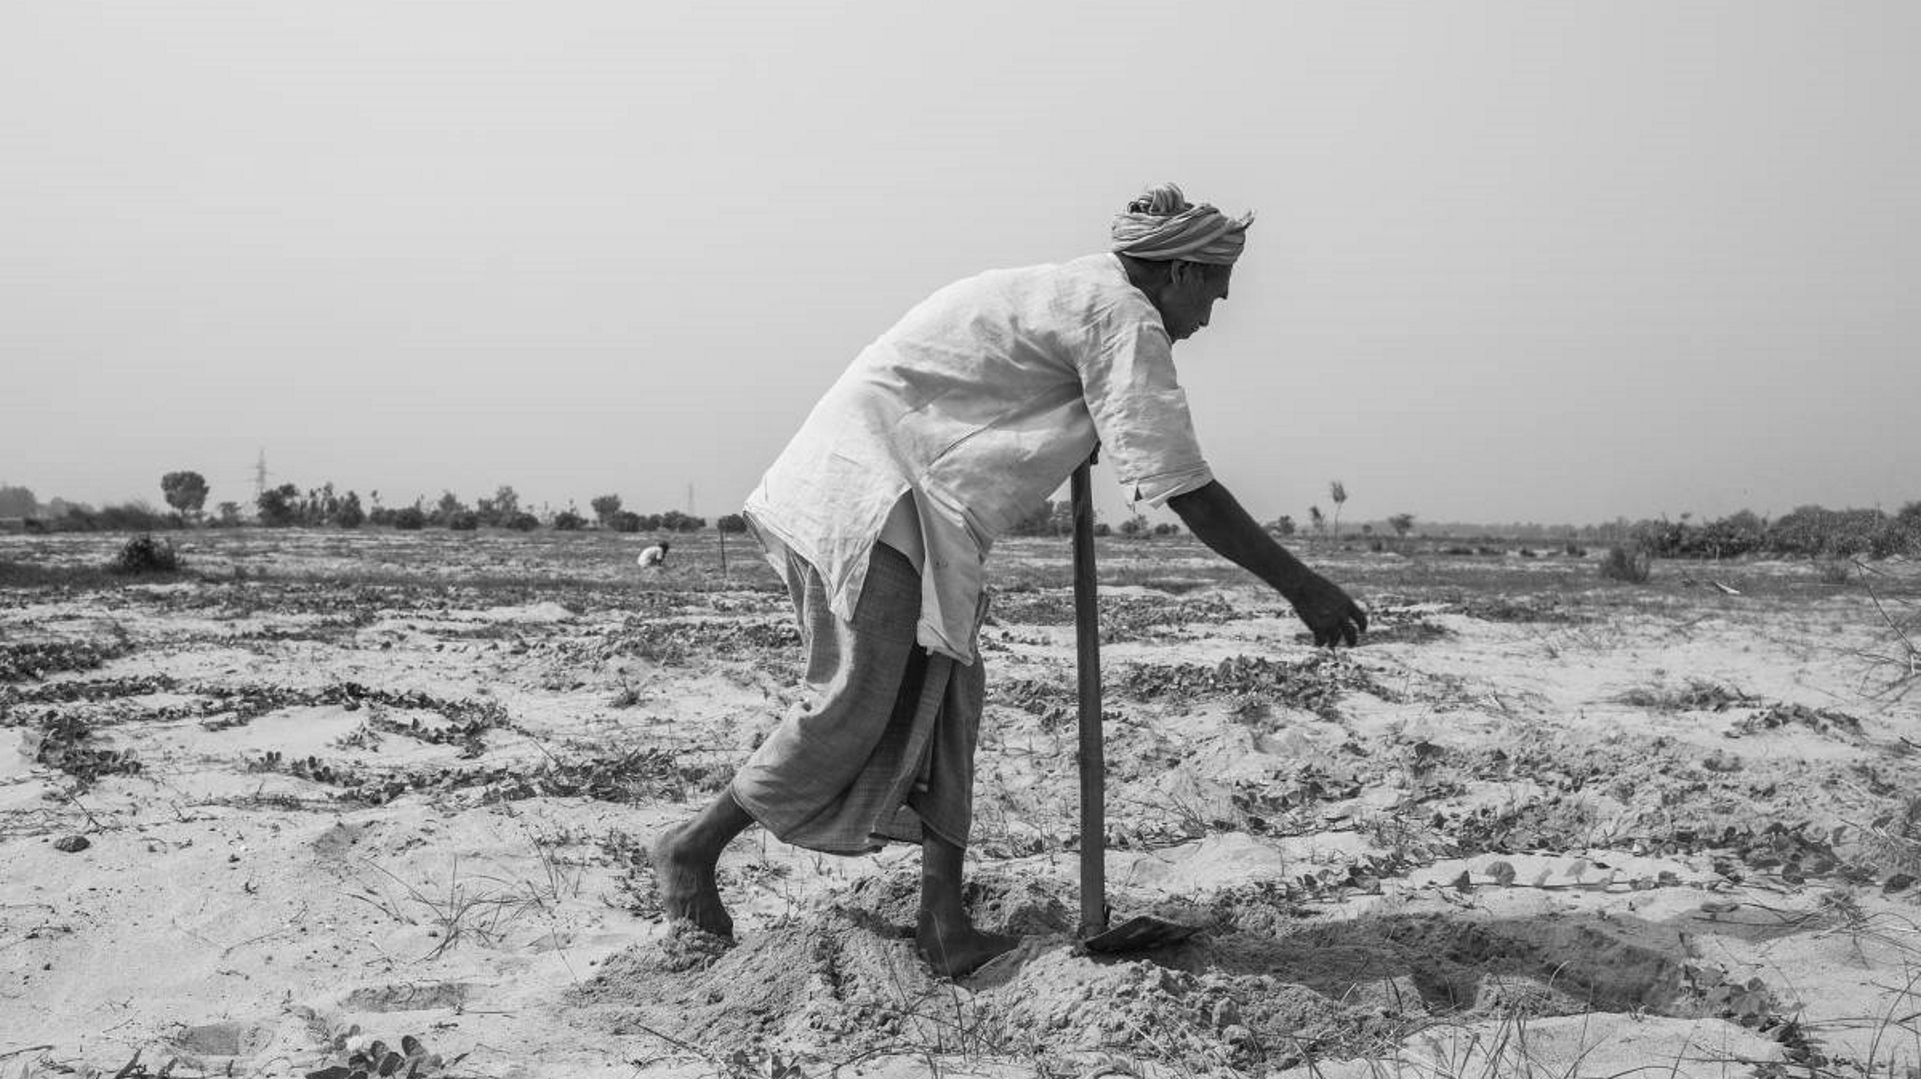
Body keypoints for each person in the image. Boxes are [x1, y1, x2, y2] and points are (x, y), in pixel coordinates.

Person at [653, 182, 1367, 976]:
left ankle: (942, 921)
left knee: (948, 699)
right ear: (1181, 273)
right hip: (874, 495)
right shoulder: (1119, 316)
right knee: (857, 700)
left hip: (915, 512)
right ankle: (691, 847)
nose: (1207, 320)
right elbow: (1183, 486)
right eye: (1214, 294)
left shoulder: (1067, 293)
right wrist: (1302, 585)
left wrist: (1081, 424)